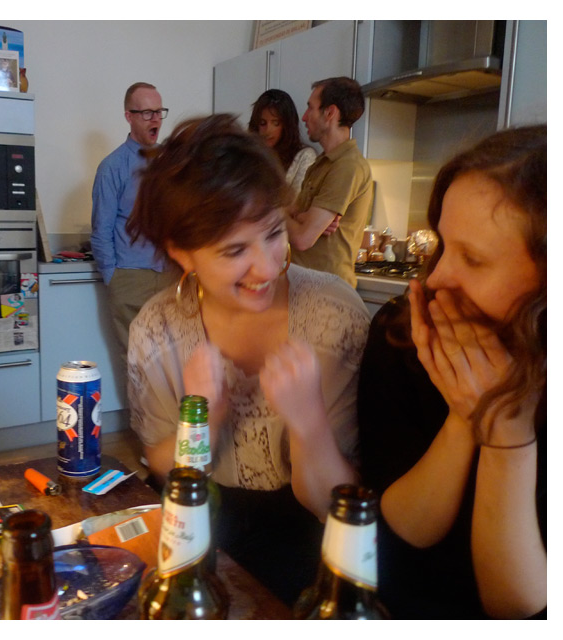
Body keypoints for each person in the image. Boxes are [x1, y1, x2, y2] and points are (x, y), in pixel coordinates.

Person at [125, 114, 370, 604]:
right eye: (235, 249)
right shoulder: (157, 330)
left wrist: (308, 422)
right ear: (183, 253)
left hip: (311, 557)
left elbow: (340, 509)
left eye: (274, 232)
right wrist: (204, 419)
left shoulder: (335, 315)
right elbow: (165, 472)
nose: (267, 266)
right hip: (200, 542)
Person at [358, 125, 546, 619]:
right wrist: (467, 413)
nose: (438, 277)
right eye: (444, 245)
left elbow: (519, 608)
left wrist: (507, 433)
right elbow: (403, 531)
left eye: (474, 259)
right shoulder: (399, 335)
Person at [90, 82, 174, 358]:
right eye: (147, 113)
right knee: (138, 363)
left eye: (159, 112)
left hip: (171, 276)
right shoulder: (112, 167)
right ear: (129, 116)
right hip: (130, 279)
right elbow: (100, 231)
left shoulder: (171, 163)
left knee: (175, 361)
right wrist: (114, 278)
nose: (155, 119)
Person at [285, 76, 372, 287]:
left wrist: (276, 214)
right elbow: (294, 213)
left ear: (330, 113)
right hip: (306, 288)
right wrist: (300, 216)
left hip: (326, 292)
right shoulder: (322, 163)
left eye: (310, 108)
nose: (304, 117)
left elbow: (303, 238)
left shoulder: (347, 166)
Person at [248, 89, 316, 198]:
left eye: (275, 123)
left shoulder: (304, 156)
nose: (268, 130)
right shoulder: (251, 156)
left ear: (286, 125)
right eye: (262, 123)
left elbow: (298, 201)